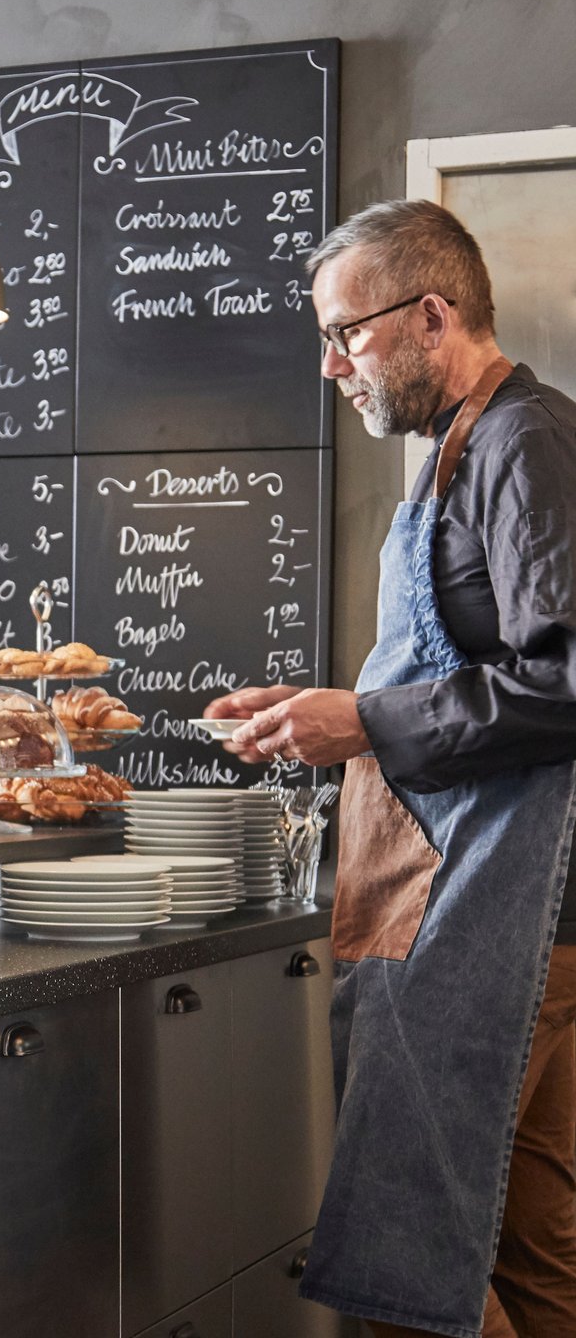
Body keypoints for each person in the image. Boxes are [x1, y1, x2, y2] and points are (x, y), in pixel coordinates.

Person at [204, 199, 576, 1338]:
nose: (331, 365)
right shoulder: (459, 451)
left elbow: (565, 680)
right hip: (490, 902)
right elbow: (472, 664)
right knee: (529, 1252)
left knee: (407, 1267)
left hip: (503, 915)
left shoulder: (521, 441)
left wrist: (363, 721)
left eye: (345, 333)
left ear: (431, 315)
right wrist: (320, 713)